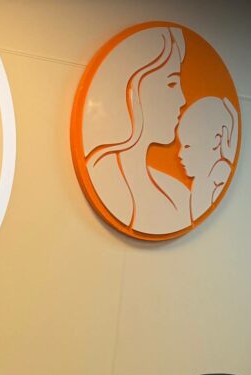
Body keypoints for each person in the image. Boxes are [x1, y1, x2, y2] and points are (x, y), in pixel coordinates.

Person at [83, 26, 190, 235]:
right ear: (135, 88)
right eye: (171, 84)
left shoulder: (177, 195)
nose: (182, 99)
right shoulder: (100, 172)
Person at [177, 96, 239, 221]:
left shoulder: (219, 180)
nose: (180, 154)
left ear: (216, 141)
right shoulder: (201, 182)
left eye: (187, 146)